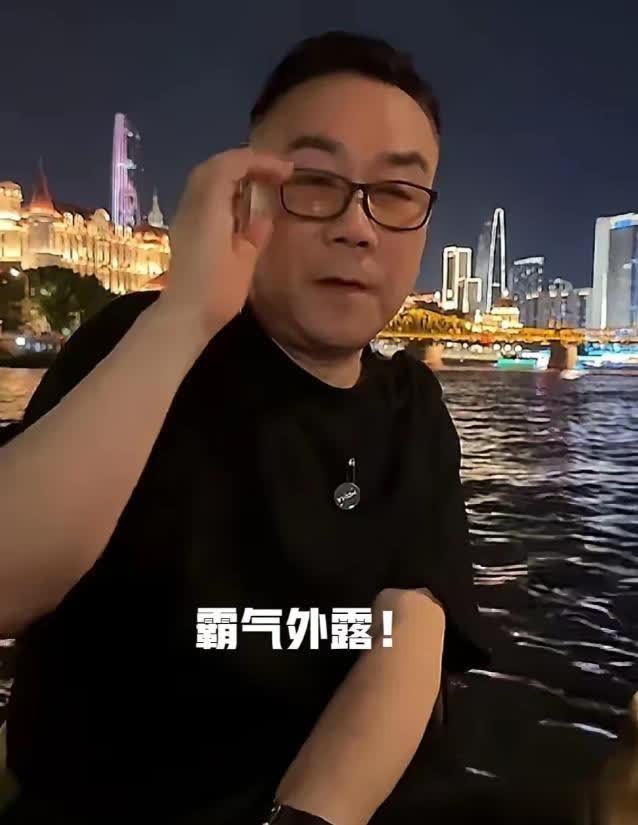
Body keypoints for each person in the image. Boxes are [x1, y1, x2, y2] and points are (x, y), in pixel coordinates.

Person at [0, 31, 491, 824]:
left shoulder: (412, 408)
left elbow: (412, 627)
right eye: (315, 182)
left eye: (397, 193)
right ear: (246, 192)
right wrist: (187, 312)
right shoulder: (138, 345)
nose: (359, 227)